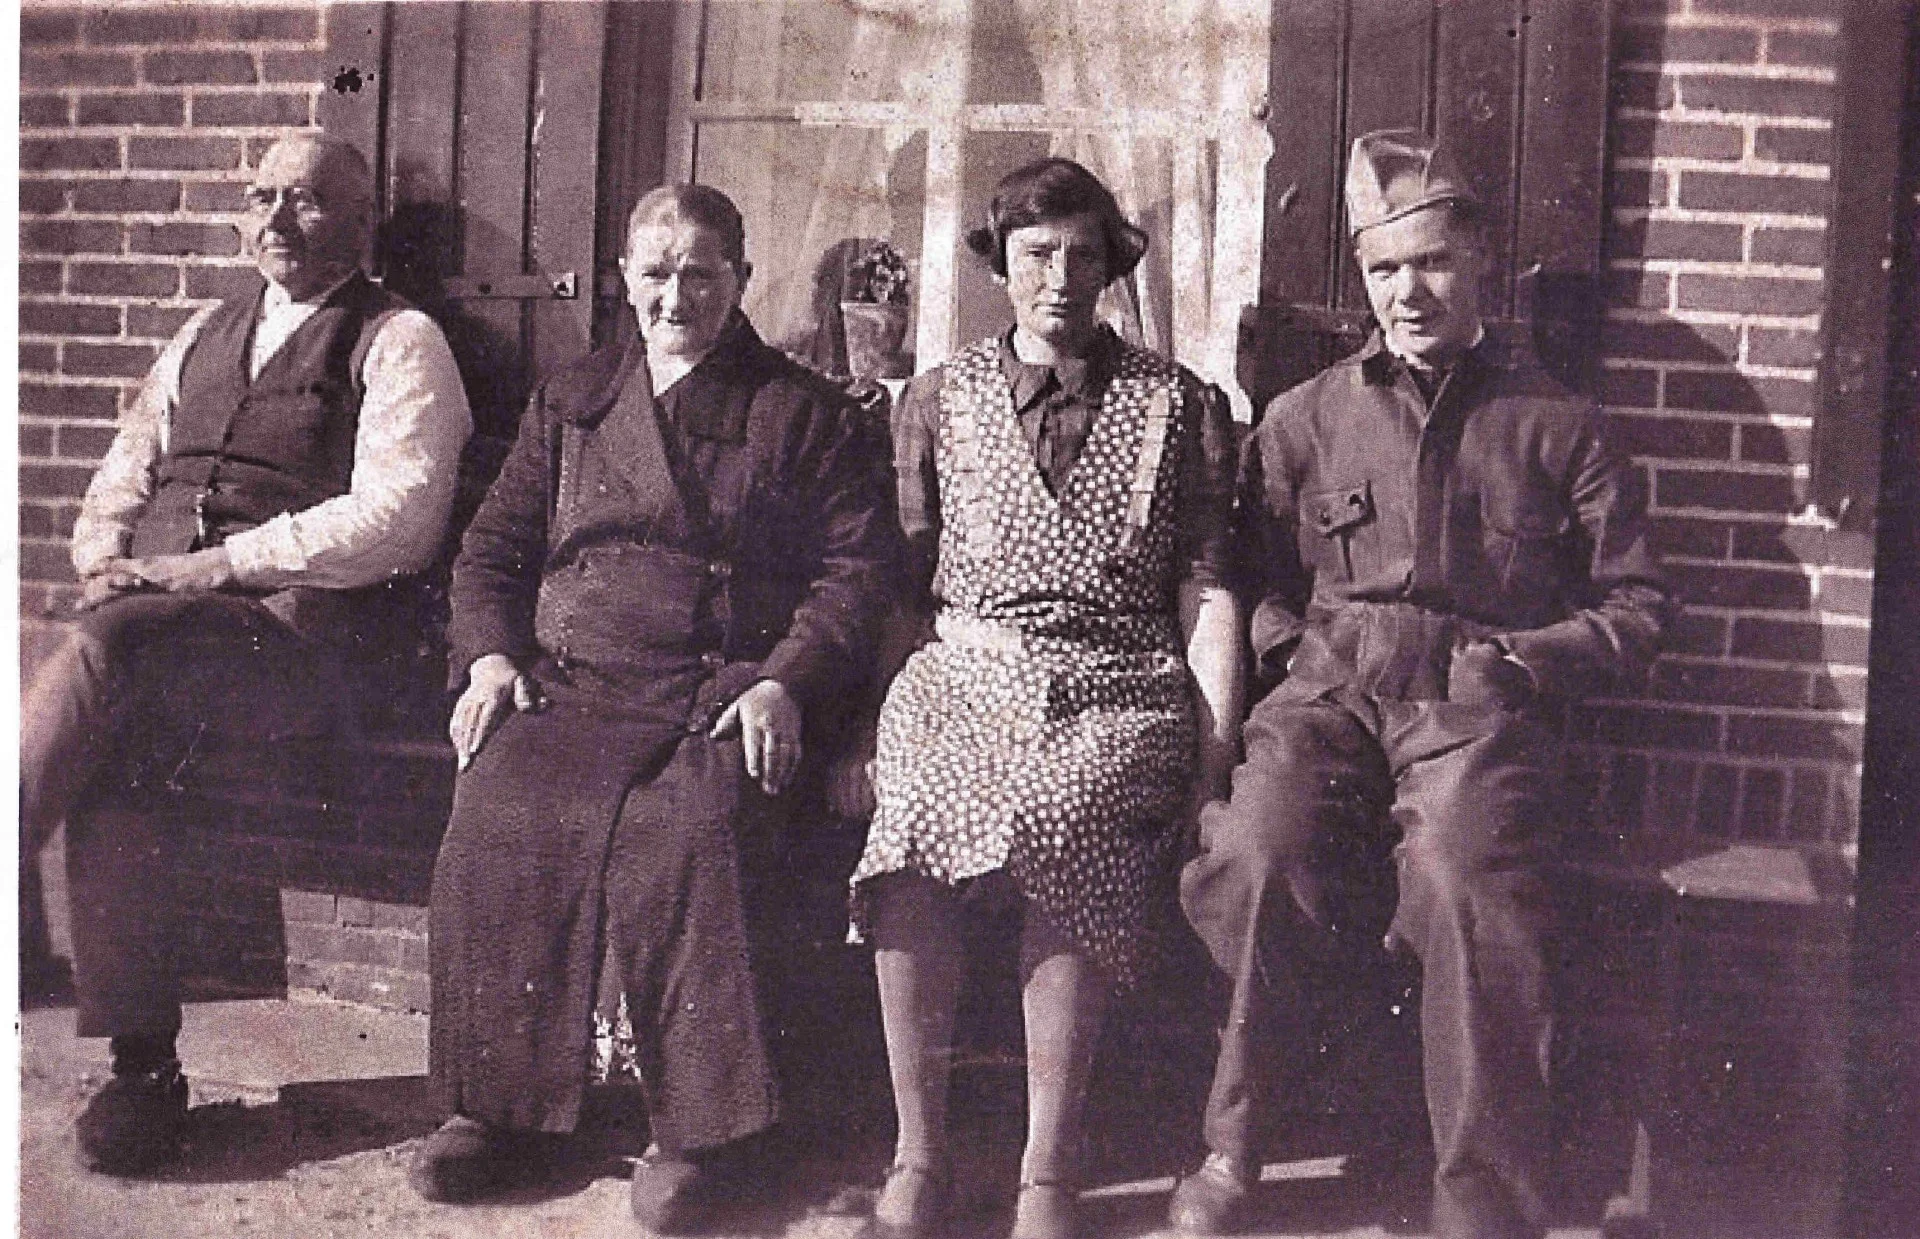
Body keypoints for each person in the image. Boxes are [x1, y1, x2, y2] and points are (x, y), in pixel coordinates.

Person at [1170, 130, 1675, 1239]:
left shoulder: (1559, 424)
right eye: (1385, 269)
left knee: (1460, 880)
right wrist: (1294, 653)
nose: (1409, 292)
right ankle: (1233, 1147)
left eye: (1434, 261)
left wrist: (1527, 663)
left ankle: (1479, 1199)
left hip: (1475, 711)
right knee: (1257, 848)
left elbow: (1639, 606)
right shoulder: (1305, 418)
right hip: (1327, 700)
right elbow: (1248, 576)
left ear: (1480, 256)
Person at [410, 184, 895, 1233]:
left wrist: (785, 680)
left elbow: (854, 574)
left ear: (742, 280)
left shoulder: (798, 413)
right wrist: (489, 660)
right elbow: (492, 550)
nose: (678, 298)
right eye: (658, 274)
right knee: (497, 808)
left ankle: (701, 1136)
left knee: (690, 832)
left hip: (713, 696)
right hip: (573, 685)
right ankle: (493, 1108)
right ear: (625, 278)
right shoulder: (573, 399)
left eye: (702, 275)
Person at [17, 134, 472, 1175]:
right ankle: (143, 1074)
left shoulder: (399, 342)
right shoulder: (205, 331)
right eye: (261, 196)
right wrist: (104, 558)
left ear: (359, 223)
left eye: (305, 200)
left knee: (97, 651)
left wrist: (215, 566)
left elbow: (399, 520)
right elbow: (126, 465)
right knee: (111, 742)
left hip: (304, 651)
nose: (275, 218)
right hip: (160, 641)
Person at [848, 158, 1243, 1239]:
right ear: (1001, 266)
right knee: (911, 823)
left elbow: (1206, 591)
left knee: (1065, 815)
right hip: (964, 672)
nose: (1060, 278)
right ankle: (918, 1155)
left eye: (1082, 253)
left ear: (1112, 265)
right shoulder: (938, 400)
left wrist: (1212, 758)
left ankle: (1048, 1172)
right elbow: (903, 587)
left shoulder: (1178, 403)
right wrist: (869, 732)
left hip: (1118, 683)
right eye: (1036, 254)